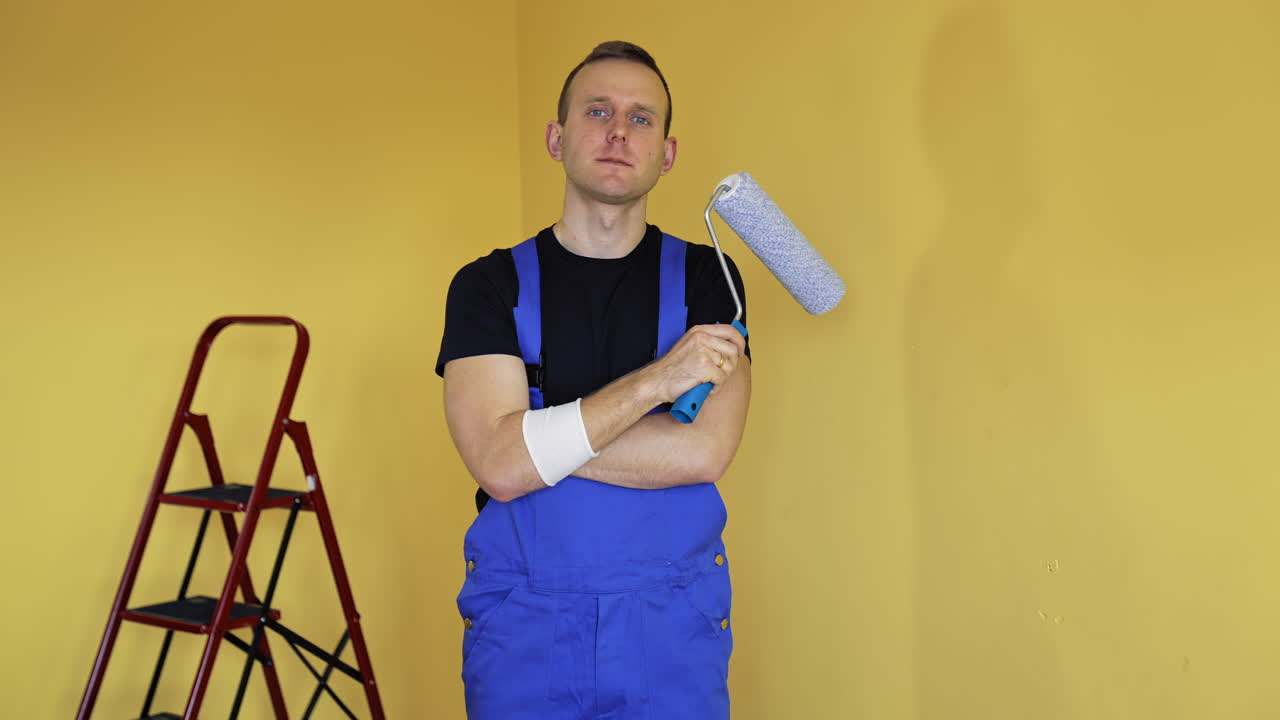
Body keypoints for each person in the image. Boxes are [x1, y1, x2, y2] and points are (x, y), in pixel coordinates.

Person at [436, 40, 751, 720]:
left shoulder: (710, 282)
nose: (618, 131)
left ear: (667, 153)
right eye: (597, 111)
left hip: (673, 631)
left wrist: (537, 445)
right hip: (526, 631)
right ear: (556, 138)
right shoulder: (488, 287)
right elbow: (497, 466)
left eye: (642, 118)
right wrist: (655, 384)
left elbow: (702, 452)